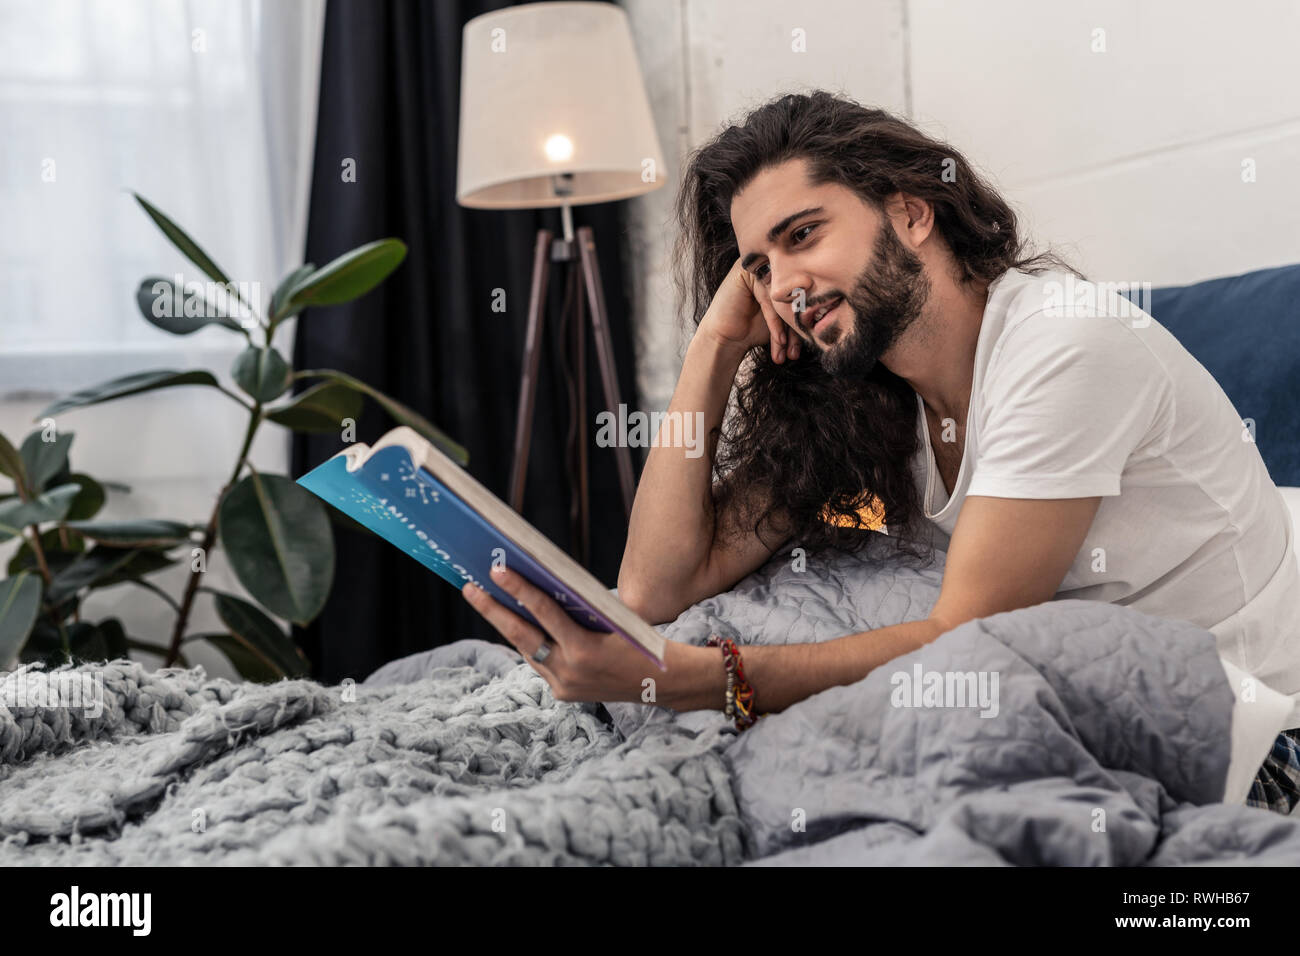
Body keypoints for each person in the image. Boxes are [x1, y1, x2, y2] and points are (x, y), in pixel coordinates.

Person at [461, 91, 1300, 815]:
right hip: (1076, 711)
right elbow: (658, 586)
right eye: (759, 267)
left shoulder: (1064, 343)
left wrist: (688, 678)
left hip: (1245, 742)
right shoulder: (868, 400)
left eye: (803, 233)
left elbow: (964, 635)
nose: (784, 285)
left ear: (910, 212)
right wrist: (713, 347)